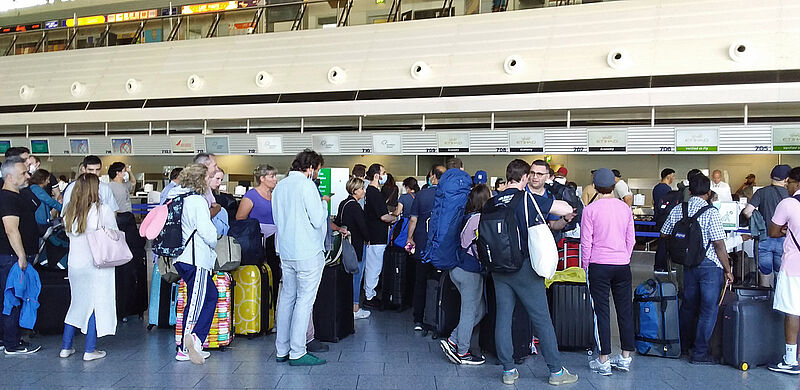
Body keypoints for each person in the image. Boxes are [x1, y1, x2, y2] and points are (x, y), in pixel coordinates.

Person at [490, 159, 577, 386]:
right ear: (525, 177)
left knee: (503, 318)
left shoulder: (493, 200)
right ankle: (556, 372)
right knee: (542, 320)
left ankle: (508, 371)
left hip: (499, 268)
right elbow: (566, 208)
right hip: (524, 268)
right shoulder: (526, 199)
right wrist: (556, 185)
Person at [661, 174, 733, 365]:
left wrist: (682, 249)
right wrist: (728, 269)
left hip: (688, 265)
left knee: (688, 306)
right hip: (709, 266)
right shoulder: (711, 212)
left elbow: (665, 233)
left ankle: (683, 347)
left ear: (690, 191)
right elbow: (719, 244)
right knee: (708, 309)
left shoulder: (678, 209)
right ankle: (700, 353)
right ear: (709, 193)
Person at [272, 149, 329, 366]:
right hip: (307, 252)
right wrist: (323, 203)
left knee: (287, 299)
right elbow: (317, 220)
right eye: (318, 170)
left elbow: (277, 218)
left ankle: (282, 348)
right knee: (304, 302)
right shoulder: (307, 186)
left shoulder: (281, 186)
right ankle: (297, 351)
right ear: (312, 168)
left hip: (286, 251)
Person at [581, 169, 635, 375]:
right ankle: (625, 358)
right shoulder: (625, 209)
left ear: (594, 186)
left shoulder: (590, 210)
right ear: (614, 185)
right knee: (625, 310)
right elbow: (631, 239)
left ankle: (603, 359)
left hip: (599, 265)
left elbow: (586, 241)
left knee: (601, 311)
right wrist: (624, 257)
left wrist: (586, 265)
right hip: (622, 265)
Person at [60, 173, 119, 361]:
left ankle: (65, 347)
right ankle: (90, 349)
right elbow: (114, 234)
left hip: (75, 263)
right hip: (97, 264)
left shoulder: (69, 210)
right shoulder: (103, 210)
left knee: (76, 304)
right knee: (96, 304)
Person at [167, 164, 219, 365]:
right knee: (196, 302)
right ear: (201, 180)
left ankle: (195, 340)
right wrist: (215, 240)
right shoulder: (197, 201)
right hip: (195, 258)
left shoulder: (176, 197)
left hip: (181, 257)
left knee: (211, 296)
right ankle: (184, 347)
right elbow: (207, 232)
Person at [439, 184, 490, 365]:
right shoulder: (480, 219)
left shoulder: (466, 217)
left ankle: (453, 339)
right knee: (469, 312)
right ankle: (462, 352)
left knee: (480, 310)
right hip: (470, 271)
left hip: (457, 268)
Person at [0, 157, 40, 355]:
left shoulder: (17, 196)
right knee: (13, 299)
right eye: (23, 173)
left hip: (9, 256)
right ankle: (12, 343)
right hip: (10, 257)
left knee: (7, 298)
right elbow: (11, 229)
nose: (27, 176)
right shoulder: (8, 198)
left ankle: (6, 338)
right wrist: (21, 256)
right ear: (9, 177)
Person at [768, 167, 800, 375]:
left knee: (793, 310)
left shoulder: (788, 203)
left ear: (796, 183)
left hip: (794, 266)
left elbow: (773, 231)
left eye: (788, 183)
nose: (787, 187)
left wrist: (785, 229)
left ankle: (790, 360)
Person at [407, 164, 445, 331]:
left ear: (432, 177)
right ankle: (438, 318)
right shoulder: (447, 195)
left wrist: (409, 238)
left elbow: (413, 220)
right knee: (440, 282)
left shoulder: (421, 195)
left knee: (420, 282)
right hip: (441, 247)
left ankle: (418, 319)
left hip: (422, 244)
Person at [743, 165, 790, 279]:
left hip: (764, 238)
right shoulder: (790, 194)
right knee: (782, 274)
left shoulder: (761, 192)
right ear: (787, 179)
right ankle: (777, 296)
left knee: (765, 274)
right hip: (784, 239)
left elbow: (747, 211)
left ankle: (767, 296)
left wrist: (758, 222)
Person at [362, 163, 398, 309]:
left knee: (372, 266)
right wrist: (395, 217)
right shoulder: (374, 193)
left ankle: (370, 293)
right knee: (374, 267)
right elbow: (383, 217)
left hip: (374, 235)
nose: (385, 175)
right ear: (377, 175)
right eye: (383, 172)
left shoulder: (370, 192)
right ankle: (369, 296)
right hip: (376, 237)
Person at [337, 178, 371, 320]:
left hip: (345, 245)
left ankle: (347, 306)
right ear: (354, 190)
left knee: (347, 276)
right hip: (356, 245)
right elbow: (362, 226)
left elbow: (339, 221)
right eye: (361, 188)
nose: (363, 191)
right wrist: (368, 238)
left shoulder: (343, 204)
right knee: (357, 276)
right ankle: (355, 308)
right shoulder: (355, 206)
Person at [652, 168, 676, 273]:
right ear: (668, 176)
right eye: (672, 176)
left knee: (662, 243)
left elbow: (654, 202)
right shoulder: (666, 189)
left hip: (658, 218)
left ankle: (660, 266)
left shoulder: (656, 188)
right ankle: (661, 266)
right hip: (664, 219)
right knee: (664, 243)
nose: (673, 179)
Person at [192, 153, 222, 218]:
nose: (217, 169)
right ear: (204, 166)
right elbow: (204, 216)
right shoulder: (192, 187)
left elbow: (213, 204)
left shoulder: (207, 187)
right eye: (215, 166)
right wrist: (218, 208)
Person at [209, 169, 229, 236]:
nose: (219, 183)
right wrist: (218, 207)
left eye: (221, 180)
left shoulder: (214, 196)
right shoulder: (201, 195)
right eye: (217, 178)